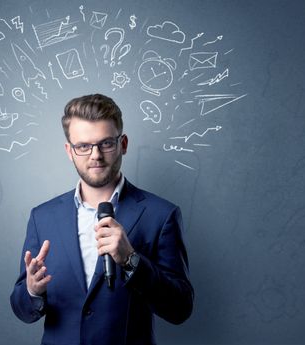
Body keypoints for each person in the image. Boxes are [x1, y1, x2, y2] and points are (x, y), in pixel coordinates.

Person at [10, 94, 194, 345]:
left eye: (106, 143)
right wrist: (32, 289)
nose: (95, 155)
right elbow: (21, 308)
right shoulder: (42, 217)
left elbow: (180, 308)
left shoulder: (161, 215)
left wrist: (131, 260)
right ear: (69, 151)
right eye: (83, 146)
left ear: (123, 144)